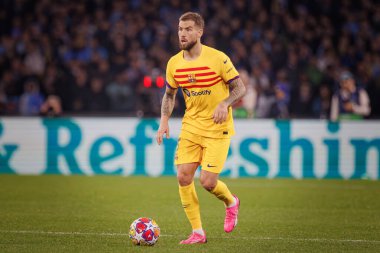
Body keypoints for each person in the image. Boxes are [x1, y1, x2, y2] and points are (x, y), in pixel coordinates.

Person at [156, 12, 246, 245]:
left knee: (207, 182)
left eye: (187, 29)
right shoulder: (174, 63)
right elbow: (169, 94)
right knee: (183, 177)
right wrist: (164, 120)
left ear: (199, 32)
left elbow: (240, 88)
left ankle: (230, 202)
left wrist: (224, 103)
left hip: (218, 127)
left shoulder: (218, 59)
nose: (182, 33)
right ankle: (197, 232)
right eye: (180, 29)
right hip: (191, 126)